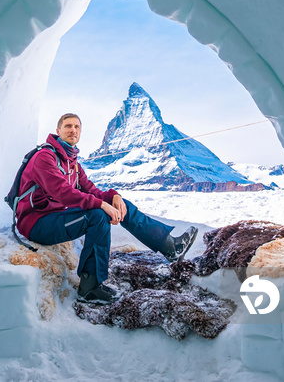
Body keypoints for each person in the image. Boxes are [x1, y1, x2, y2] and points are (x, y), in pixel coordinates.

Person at [15, 113, 198, 304]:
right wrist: (101, 205)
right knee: (97, 215)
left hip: (56, 217)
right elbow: (62, 193)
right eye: (68, 126)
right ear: (58, 131)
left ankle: (169, 246)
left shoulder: (73, 164)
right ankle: (89, 287)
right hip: (36, 223)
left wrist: (113, 197)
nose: (73, 130)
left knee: (118, 204)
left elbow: (91, 190)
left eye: (77, 127)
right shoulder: (45, 157)